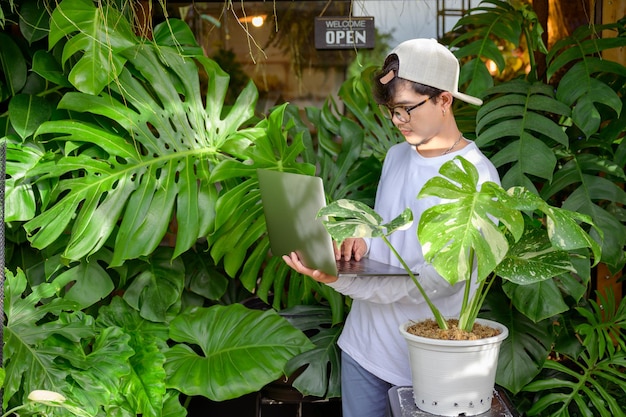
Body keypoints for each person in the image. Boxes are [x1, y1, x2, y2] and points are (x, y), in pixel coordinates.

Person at [283, 38, 501, 417]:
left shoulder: (479, 178)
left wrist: (341, 282)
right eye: (391, 111)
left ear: (444, 100)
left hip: (428, 365)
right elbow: (391, 231)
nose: (398, 122)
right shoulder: (396, 155)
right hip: (364, 349)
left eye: (406, 109)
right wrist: (362, 243)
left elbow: (441, 280)